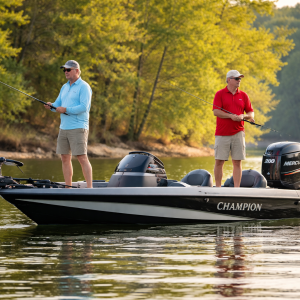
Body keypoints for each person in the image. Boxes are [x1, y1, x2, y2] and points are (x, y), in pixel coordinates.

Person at [44, 60, 93, 188]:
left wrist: (66, 109)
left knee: (82, 158)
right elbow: (57, 105)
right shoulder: (64, 87)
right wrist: (51, 106)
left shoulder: (84, 86)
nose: (65, 72)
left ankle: (90, 188)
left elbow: (84, 107)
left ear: (77, 71)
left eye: (68, 69)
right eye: (64, 70)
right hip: (63, 128)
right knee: (65, 158)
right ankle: (68, 187)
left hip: (78, 127)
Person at [213, 70, 254, 188]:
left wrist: (243, 116)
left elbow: (251, 113)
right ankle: (218, 188)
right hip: (222, 133)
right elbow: (216, 111)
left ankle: (237, 189)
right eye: (236, 78)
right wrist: (230, 116)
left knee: (237, 162)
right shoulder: (219, 94)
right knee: (219, 161)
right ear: (229, 79)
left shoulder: (244, 95)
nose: (239, 80)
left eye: (240, 78)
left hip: (238, 133)